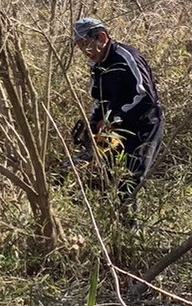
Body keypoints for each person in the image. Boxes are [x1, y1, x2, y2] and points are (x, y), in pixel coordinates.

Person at [70, 17, 164, 205]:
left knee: (130, 179)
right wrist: (92, 126)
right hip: (115, 128)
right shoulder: (97, 66)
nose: (84, 51)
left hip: (144, 126)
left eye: (86, 44)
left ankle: (130, 227)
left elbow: (146, 97)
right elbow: (100, 99)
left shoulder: (127, 57)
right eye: (80, 46)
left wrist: (114, 119)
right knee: (102, 173)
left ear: (102, 37)